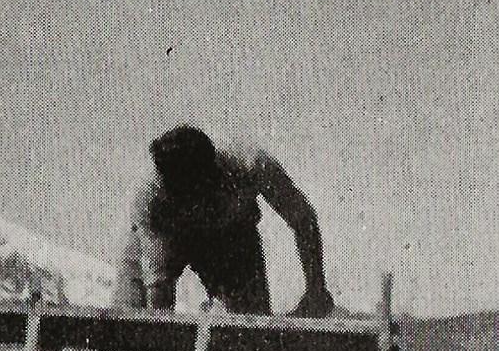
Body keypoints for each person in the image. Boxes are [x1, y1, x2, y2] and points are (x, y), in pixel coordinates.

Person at [116, 125, 335, 317]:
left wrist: (316, 288)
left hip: (231, 239)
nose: (193, 208)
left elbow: (302, 218)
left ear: (212, 176)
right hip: (165, 238)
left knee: (249, 335)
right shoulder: (150, 199)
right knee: (129, 326)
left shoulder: (249, 163)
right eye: (182, 200)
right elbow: (158, 283)